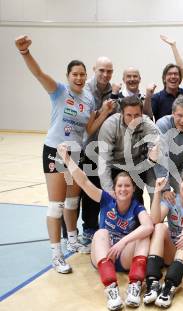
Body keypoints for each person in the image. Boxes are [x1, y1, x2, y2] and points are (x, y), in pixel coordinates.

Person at [14, 35, 113, 273]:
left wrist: (105, 112)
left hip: (75, 154)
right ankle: (56, 254)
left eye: (81, 74)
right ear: (68, 76)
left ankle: (72, 239)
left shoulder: (88, 98)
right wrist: (25, 53)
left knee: (72, 200)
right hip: (55, 153)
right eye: (74, 74)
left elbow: (88, 128)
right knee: (56, 205)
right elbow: (39, 74)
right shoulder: (59, 91)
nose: (79, 78)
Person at [58, 144, 153, 310]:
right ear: (114, 190)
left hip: (123, 256)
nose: (123, 189)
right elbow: (83, 181)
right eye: (120, 186)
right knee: (101, 232)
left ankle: (135, 286)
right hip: (104, 255)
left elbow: (149, 226)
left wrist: (123, 242)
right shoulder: (106, 199)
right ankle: (111, 289)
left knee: (144, 235)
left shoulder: (137, 206)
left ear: (133, 189)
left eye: (127, 186)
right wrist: (66, 159)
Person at [143, 175, 183, 308]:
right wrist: (157, 192)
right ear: (180, 184)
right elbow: (155, 220)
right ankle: (152, 283)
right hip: (171, 251)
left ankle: (169, 287)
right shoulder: (171, 199)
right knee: (160, 227)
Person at [98, 95, 160, 205]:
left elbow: (155, 152)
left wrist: (153, 155)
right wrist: (109, 192)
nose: (133, 120)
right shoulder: (110, 125)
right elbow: (104, 162)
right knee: (110, 200)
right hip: (115, 166)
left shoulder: (148, 124)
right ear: (121, 114)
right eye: (129, 115)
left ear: (142, 114)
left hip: (139, 165)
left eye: (137, 115)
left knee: (138, 199)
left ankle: (152, 216)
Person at [81, 56, 116, 249]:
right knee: (87, 192)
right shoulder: (85, 91)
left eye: (109, 71)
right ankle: (87, 230)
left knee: (103, 190)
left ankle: (103, 228)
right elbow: (89, 128)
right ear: (94, 69)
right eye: (101, 70)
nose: (105, 74)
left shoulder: (113, 91)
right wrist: (102, 111)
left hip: (106, 150)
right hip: (87, 149)